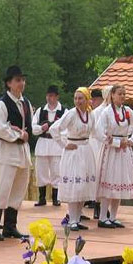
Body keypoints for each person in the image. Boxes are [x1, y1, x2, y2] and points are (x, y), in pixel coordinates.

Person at [0, 65, 33, 239]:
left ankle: (10, 226)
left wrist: (27, 134)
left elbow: (29, 125)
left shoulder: (26, 102)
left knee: (18, 190)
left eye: (22, 80)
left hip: (22, 153)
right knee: (1, 189)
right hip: (7, 153)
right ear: (9, 84)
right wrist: (18, 136)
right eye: (17, 80)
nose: (21, 83)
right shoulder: (2, 105)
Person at [95, 84, 133, 228]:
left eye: (124, 94)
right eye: (119, 94)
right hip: (111, 151)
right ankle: (103, 216)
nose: (122, 96)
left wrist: (131, 140)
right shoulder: (106, 112)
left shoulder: (127, 111)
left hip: (124, 152)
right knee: (109, 180)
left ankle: (113, 216)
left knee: (119, 182)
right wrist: (116, 142)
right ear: (112, 95)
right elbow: (98, 132)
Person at [49, 87, 97, 231]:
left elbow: (95, 131)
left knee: (83, 186)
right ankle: (72, 219)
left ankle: (77, 218)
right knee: (74, 185)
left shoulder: (90, 114)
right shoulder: (71, 114)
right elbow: (54, 128)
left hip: (85, 151)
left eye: (80, 98)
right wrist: (64, 144)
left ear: (87, 99)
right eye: (75, 98)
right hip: (73, 151)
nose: (77, 101)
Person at [31, 85, 65, 207]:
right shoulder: (40, 111)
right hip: (43, 143)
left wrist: (56, 132)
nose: (49, 98)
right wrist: (42, 128)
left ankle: (56, 198)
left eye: (51, 96)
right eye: (48, 95)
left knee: (57, 171)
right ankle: (42, 198)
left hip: (56, 145)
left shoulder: (64, 111)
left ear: (57, 96)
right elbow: (33, 129)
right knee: (41, 171)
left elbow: (66, 129)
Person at [89, 86, 112, 219]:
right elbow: (94, 130)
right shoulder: (98, 112)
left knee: (107, 176)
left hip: (109, 146)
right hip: (97, 145)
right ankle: (97, 206)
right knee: (98, 176)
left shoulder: (115, 111)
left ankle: (105, 207)